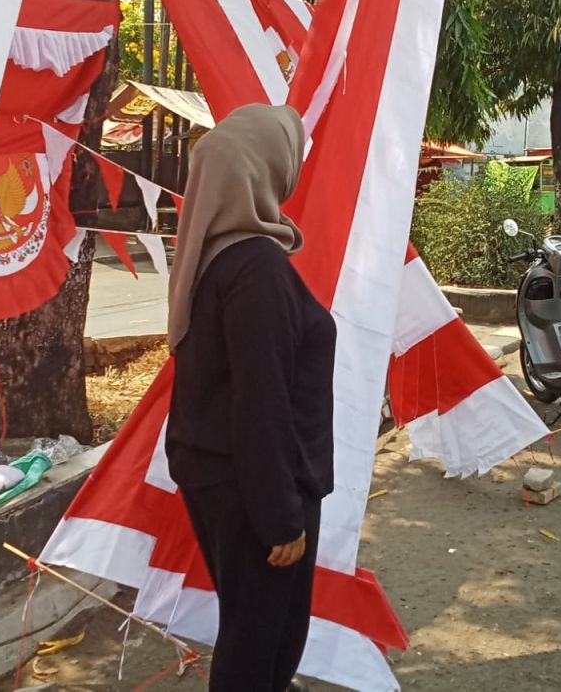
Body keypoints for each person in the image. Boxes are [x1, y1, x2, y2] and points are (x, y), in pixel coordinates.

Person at [165, 104, 336, 692]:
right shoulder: (256, 266)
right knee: (260, 645)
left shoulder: (211, 259)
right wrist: (280, 518)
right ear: (268, 168)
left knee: (252, 629)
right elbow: (260, 402)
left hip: (216, 473)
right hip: (255, 487)